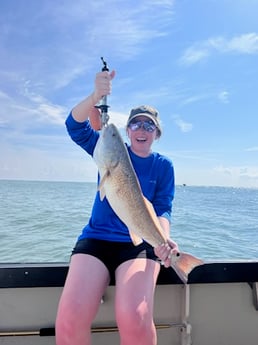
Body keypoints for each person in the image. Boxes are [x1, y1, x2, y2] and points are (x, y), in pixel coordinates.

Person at [55, 69, 179, 345]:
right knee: (68, 320)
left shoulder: (163, 166)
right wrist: (95, 96)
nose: (142, 130)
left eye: (149, 126)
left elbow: (163, 208)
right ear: (127, 131)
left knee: (135, 318)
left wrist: (164, 239)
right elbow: (75, 127)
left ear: (157, 133)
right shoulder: (109, 150)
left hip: (140, 243)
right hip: (96, 239)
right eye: (136, 124)